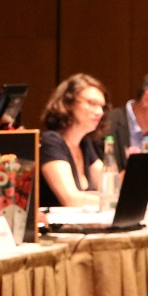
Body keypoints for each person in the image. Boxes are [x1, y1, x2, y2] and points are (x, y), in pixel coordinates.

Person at [38, 74, 110, 208]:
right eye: (92, 103)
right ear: (68, 103)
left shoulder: (85, 143)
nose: (99, 112)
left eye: (102, 106)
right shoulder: (51, 142)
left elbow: (109, 186)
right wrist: (115, 202)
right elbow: (70, 199)